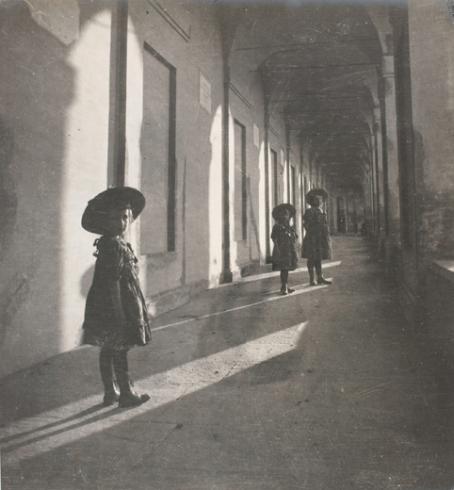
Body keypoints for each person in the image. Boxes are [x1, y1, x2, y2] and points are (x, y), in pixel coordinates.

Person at [81, 187, 152, 408]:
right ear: (105, 221)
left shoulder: (112, 243)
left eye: (125, 217)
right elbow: (112, 281)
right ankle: (126, 393)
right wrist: (120, 313)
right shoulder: (113, 245)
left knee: (109, 348)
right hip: (115, 305)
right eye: (115, 218)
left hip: (109, 303)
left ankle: (110, 392)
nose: (122, 223)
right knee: (119, 348)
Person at [302, 195, 332, 286]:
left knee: (318, 258)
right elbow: (306, 224)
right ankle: (311, 279)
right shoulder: (309, 211)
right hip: (312, 237)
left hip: (320, 237)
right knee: (311, 258)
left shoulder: (322, 211)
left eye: (320, 199)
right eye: (316, 199)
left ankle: (320, 277)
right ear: (312, 201)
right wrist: (311, 231)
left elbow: (324, 224)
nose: (319, 201)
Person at [271, 203, 298, 295]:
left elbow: (295, 237)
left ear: (289, 216)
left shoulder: (290, 227)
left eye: (286, 214)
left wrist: (293, 234)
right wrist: (277, 247)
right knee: (284, 269)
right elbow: (273, 237)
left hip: (290, 250)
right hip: (281, 250)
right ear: (279, 216)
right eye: (282, 214)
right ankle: (283, 286)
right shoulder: (277, 226)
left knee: (287, 268)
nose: (285, 216)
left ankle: (286, 285)